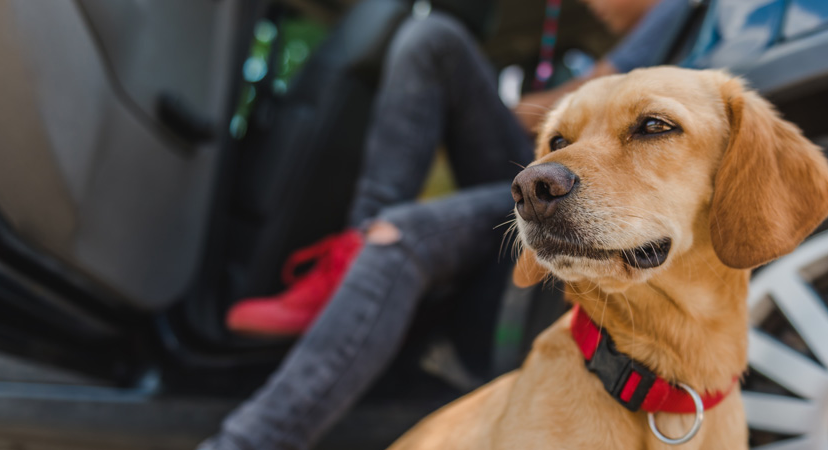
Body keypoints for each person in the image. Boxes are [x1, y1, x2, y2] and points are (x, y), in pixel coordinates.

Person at [200, 0, 691, 448]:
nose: (594, 4)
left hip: (589, 188)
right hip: (547, 171)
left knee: (402, 234)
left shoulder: (680, 13)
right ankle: (353, 251)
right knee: (431, 38)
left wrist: (511, 113)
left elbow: (591, 98)